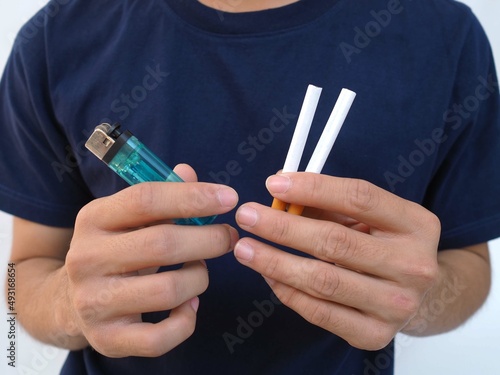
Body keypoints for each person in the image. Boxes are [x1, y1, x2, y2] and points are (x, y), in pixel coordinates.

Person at [1, 0, 499, 374]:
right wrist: (68, 303)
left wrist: (420, 296)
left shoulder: (444, 34)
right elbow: (18, 276)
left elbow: (470, 264)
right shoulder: (54, 38)